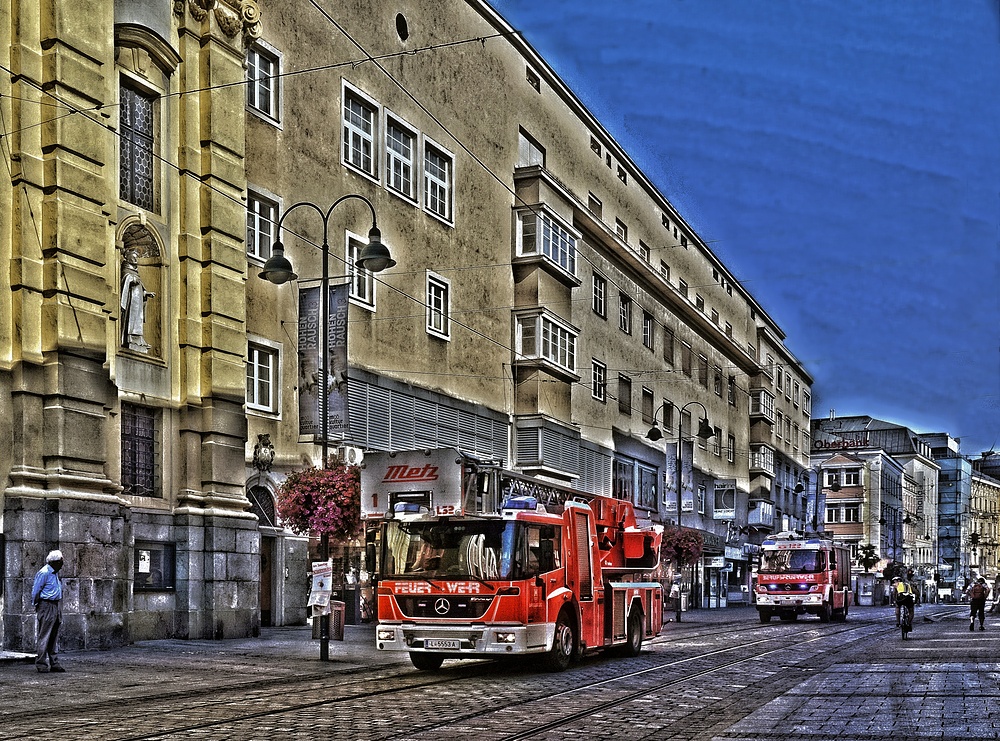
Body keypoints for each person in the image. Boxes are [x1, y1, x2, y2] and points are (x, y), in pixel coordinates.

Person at [32, 550, 66, 673]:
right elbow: (36, 590)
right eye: (61, 562)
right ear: (55, 562)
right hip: (46, 605)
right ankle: (41, 663)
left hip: (55, 605)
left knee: (54, 635)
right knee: (44, 635)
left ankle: (54, 662)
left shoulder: (55, 572)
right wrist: (37, 605)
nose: (62, 564)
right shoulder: (44, 573)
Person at [120, 248, 154, 352]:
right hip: (131, 301)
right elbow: (125, 280)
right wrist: (131, 279)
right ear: (128, 257)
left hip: (137, 301)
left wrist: (146, 293)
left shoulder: (136, 272)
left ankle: (139, 340)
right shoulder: (126, 269)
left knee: (137, 320)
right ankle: (129, 338)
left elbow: (140, 289)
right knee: (132, 320)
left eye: (136, 258)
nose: (136, 260)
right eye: (134, 257)